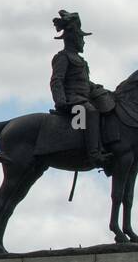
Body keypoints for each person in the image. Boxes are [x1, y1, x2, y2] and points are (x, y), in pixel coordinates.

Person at [49, 10, 115, 173]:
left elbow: (83, 82)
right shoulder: (63, 57)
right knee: (91, 112)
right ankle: (94, 154)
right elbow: (57, 80)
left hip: (84, 97)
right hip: (72, 100)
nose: (83, 42)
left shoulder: (81, 61)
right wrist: (61, 101)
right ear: (73, 38)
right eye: (82, 38)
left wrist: (97, 89)